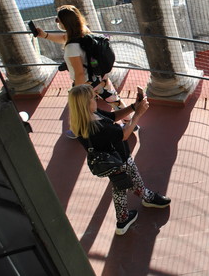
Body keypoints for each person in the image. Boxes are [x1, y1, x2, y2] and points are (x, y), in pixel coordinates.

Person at [68, 84, 171, 235]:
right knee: (133, 180)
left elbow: (114, 116)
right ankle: (147, 198)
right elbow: (124, 134)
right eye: (92, 98)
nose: (95, 98)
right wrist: (138, 114)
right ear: (85, 104)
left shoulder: (84, 119)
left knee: (119, 186)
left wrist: (133, 107)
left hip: (109, 162)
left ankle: (123, 220)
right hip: (120, 159)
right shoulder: (99, 126)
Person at [36, 5, 128, 137]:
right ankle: (130, 122)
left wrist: (76, 91)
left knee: (78, 108)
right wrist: (44, 35)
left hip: (85, 82)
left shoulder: (71, 48)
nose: (57, 22)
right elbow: (64, 38)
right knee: (114, 100)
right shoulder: (84, 31)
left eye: (58, 20)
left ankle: (78, 130)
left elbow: (79, 73)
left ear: (65, 23)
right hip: (99, 76)